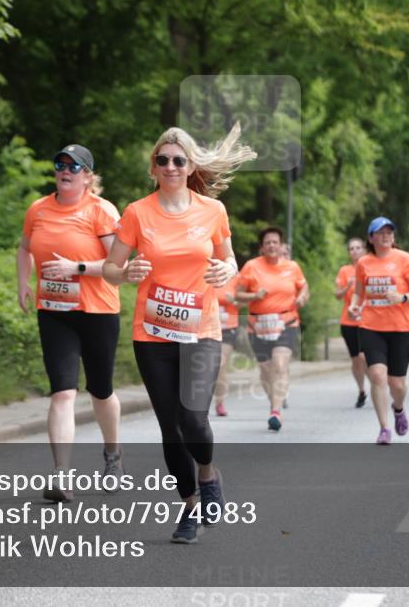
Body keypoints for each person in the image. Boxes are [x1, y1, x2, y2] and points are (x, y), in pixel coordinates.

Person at [103, 123, 254, 543]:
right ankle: (189, 506)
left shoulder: (212, 211)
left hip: (201, 329)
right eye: (162, 160)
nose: (170, 166)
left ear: (190, 167)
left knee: (193, 420)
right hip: (152, 334)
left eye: (178, 160)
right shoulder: (137, 212)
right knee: (170, 427)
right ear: (153, 167)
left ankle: (208, 474)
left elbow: (230, 261)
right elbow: (111, 269)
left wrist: (227, 269)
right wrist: (126, 271)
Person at [17, 144, 123, 502]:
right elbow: (24, 248)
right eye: (60, 164)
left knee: (100, 391)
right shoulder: (38, 209)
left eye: (74, 166)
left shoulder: (101, 211)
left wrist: (76, 268)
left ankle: (112, 454)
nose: (65, 170)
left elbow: (118, 266)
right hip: (55, 312)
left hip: (98, 312)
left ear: (88, 177)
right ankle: (61, 475)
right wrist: (23, 282)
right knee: (62, 391)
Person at [348, 217, 409, 445]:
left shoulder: (404, 259)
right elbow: (358, 293)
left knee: (397, 384)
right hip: (372, 326)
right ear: (371, 238)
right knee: (378, 375)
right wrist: (354, 305)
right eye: (380, 232)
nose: (386, 236)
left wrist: (402, 297)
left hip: (401, 327)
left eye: (389, 232)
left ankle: (398, 409)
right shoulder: (364, 263)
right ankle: (384, 428)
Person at [236, 227, 309, 431]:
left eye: (275, 242)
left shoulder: (292, 267)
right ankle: (274, 404)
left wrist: (303, 296)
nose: (271, 245)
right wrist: (254, 296)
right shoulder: (251, 267)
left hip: (286, 322)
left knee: (280, 364)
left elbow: (303, 286)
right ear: (262, 247)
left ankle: (276, 412)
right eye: (267, 242)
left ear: (281, 245)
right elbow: (238, 295)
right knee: (266, 370)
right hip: (257, 326)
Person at [335, 238, 368, 406]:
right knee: (356, 359)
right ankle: (361, 390)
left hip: (367, 320)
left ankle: (377, 384)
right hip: (348, 321)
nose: (354, 251)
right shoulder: (344, 270)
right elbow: (337, 295)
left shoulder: (371, 267)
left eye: (357, 248)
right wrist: (347, 286)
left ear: (364, 249)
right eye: (351, 248)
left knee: (365, 357)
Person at [213, 272, 242, 417]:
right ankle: (200, 405)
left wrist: (235, 302)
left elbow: (246, 301)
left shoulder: (234, 275)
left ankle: (219, 402)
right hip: (204, 327)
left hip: (227, 328)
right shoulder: (201, 270)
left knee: (220, 364)